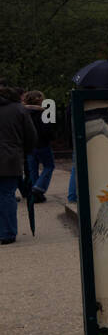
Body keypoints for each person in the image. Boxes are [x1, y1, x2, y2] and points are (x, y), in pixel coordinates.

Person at [0, 85, 37, 245]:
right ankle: (7, 232)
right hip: (10, 157)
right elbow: (31, 135)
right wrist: (24, 152)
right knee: (7, 194)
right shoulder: (18, 109)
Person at [22, 90, 54, 203]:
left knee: (32, 170)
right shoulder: (43, 113)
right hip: (42, 144)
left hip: (29, 145)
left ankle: (35, 194)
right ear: (40, 100)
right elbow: (47, 130)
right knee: (49, 166)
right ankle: (38, 188)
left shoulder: (23, 113)